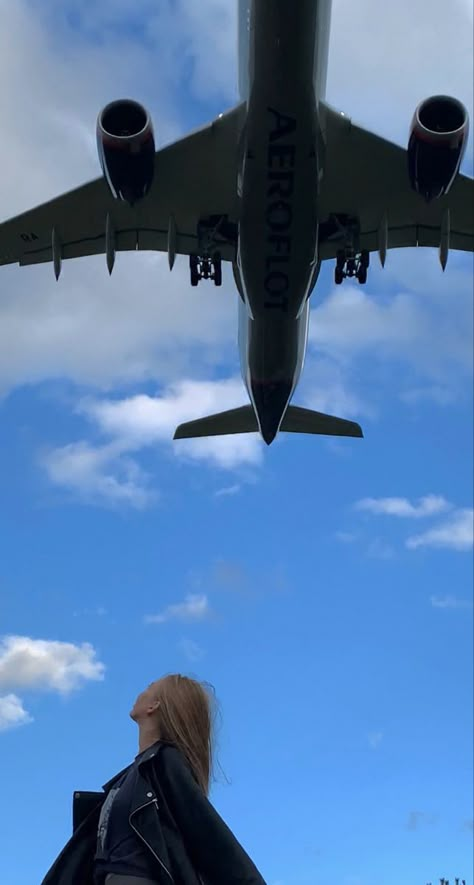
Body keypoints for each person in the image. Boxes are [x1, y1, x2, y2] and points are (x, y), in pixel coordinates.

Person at [40, 674, 267, 885]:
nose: (140, 692)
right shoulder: (129, 776)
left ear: (154, 706)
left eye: (149, 688)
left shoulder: (164, 762)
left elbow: (210, 836)